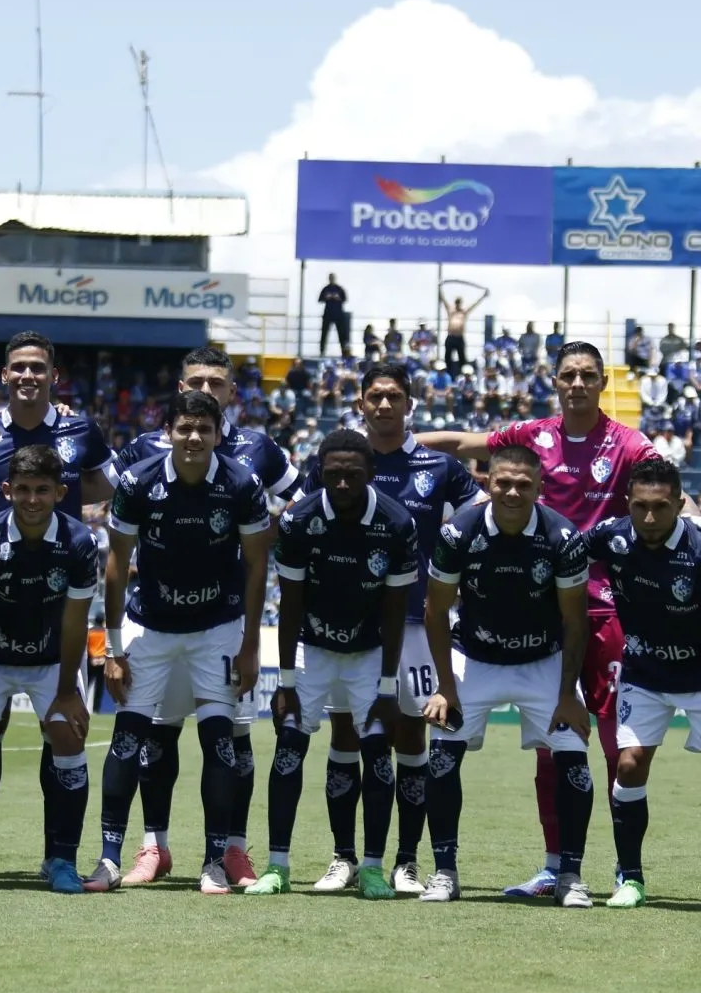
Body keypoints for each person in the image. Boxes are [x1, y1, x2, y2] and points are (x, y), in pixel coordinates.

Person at [415, 341, 692, 897]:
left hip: (606, 608)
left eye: (589, 375)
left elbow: (668, 493)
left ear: (602, 382)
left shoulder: (628, 443)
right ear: (555, 381)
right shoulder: (531, 436)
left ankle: (623, 870)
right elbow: (464, 442)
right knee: (553, 742)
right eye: (568, 374)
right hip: (545, 607)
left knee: (617, 740)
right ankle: (555, 865)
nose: (577, 384)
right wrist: (399, 447)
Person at [113, 346, 302, 887]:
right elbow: (117, 519)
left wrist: (266, 534)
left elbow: (302, 500)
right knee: (160, 734)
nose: (207, 388)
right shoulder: (147, 450)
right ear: (179, 389)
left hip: (225, 623)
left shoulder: (260, 452)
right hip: (159, 620)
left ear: (231, 394)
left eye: (217, 382)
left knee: (234, 738)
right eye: (196, 380)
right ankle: (154, 847)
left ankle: (233, 849)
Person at [295, 364, 484, 894]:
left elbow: (480, 518)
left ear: (410, 401)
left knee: (410, 735)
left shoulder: (439, 467)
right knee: (347, 733)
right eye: (375, 396)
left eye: (393, 396)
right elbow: (301, 518)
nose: (383, 405)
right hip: (348, 628)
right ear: (360, 401)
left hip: (418, 627)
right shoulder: (338, 460)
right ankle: (344, 857)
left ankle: (405, 861)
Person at [84, 390, 270, 894]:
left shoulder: (240, 483)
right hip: (152, 628)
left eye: (203, 430)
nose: (193, 438)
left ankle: (213, 862)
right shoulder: (139, 481)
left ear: (216, 434)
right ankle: (108, 859)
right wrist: (114, 649)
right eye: (184, 428)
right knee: (129, 739)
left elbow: (257, 566)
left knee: (220, 741)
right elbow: (117, 564)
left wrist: (250, 644)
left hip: (218, 631)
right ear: (168, 432)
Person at [0, 330, 115, 872]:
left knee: (64, 734)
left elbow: (108, 486)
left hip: (51, 607)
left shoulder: (79, 429)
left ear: (53, 376)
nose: (27, 376)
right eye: (18, 367)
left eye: (37, 368)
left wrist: (56, 513)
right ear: (5, 375)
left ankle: (59, 858)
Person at [245, 430, 418, 896]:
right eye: (333, 474)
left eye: (353, 475)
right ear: (320, 472)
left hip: (369, 653)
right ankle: (278, 866)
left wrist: (387, 687)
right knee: (289, 746)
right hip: (311, 649)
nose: (342, 484)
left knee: (378, 748)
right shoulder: (300, 519)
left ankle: (374, 868)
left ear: (371, 475)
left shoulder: (396, 522)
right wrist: (285, 682)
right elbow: (292, 603)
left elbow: (395, 610)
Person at [421, 446, 594, 906]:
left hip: (543, 661)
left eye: (523, 484)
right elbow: (436, 610)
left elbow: (576, 621)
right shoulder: (459, 532)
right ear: (487, 483)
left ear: (540, 488)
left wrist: (567, 695)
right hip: (474, 658)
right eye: (503, 483)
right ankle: (444, 871)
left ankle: (570, 876)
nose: (513, 491)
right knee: (442, 754)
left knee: (573, 755)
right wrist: (445, 686)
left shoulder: (563, 537)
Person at [0, 446, 99, 893]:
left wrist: (68, 692)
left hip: (51, 658)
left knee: (67, 731)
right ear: (7, 490)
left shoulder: (79, 542)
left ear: (60, 493)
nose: (33, 500)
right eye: (24, 490)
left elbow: (74, 623)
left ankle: (62, 859)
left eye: (43, 491)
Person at [580, 459, 701, 908]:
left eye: (660, 507)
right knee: (628, 765)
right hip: (645, 673)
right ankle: (630, 877)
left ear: (678, 504)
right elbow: (564, 552)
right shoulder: (613, 536)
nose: (649, 518)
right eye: (639, 507)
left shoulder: (698, 546)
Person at [440, 285, 489, 378]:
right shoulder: (451, 311)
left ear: (461, 303)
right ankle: (448, 376)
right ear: (455, 303)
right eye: (456, 302)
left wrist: (483, 296)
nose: (457, 304)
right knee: (448, 358)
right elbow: (443, 301)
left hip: (459, 337)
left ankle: (463, 376)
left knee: (462, 358)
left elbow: (474, 305)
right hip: (450, 337)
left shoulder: (463, 311)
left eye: (459, 302)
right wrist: (440, 290)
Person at [318, 274, 350, 358]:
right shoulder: (325, 289)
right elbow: (320, 299)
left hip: (338, 314)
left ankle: (344, 352)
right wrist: (326, 297)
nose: (331, 279)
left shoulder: (339, 289)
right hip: (328, 314)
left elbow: (345, 299)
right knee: (324, 334)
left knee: (341, 334)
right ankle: (322, 351)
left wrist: (338, 298)